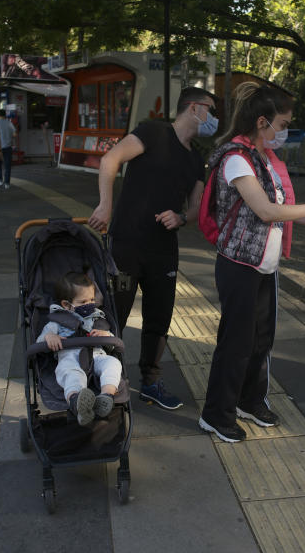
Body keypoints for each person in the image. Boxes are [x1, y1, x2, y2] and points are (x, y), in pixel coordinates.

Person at [198, 82, 305, 442]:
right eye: (283, 123)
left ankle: (249, 401)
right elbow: (267, 209)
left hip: (264, 267)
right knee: (235, 343)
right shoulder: (236, 159)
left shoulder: (269, 161)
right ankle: (216, 414)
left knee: (260, 340)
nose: (284, 131)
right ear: (262, 122)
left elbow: (286, 212)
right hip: (239, 266)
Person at [88, 87, 217, 411]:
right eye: (211, 110)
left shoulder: (195, 158)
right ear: (194, 108)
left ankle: (151, 382)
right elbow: (110, 158)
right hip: (127, 245)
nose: (214, 119)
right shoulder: (153, 132)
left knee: (159, 318)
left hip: (163, 251)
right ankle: (106, 380)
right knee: (113, 313)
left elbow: (196, 208)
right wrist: (105, 205)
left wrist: (180, 217)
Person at [37, 273, 121, 426]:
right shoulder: (57, 320)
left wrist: (105, 335)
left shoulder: (97, 317)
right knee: (71, 375)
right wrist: (49, 337)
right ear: (67, 305)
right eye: (83, 301)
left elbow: (113, 342)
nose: (90, 304)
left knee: (113, 363)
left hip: (97, 355)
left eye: (92, 300)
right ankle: (76, 401)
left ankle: (107, 396)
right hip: (70, 357)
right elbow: (41, 340)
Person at [0, 109, 18, 189]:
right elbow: (15, 134)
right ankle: (7, 183)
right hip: (7, 147)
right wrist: (10, 137)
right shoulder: (9, 123)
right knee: (7, 166)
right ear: (5, 115)